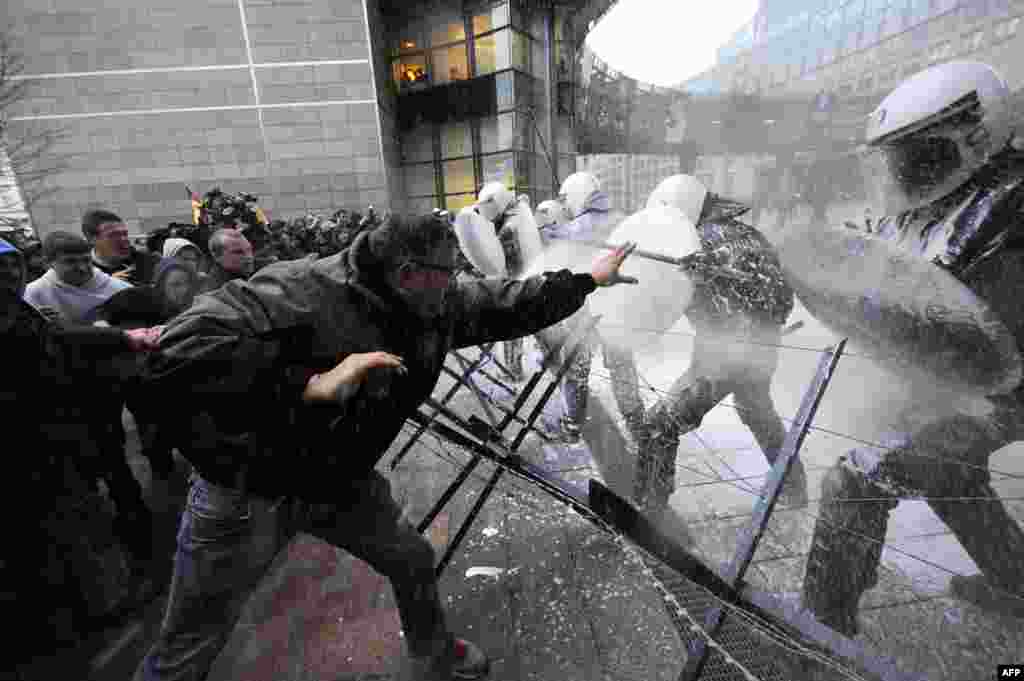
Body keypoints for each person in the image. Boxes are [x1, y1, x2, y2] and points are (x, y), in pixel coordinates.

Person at [134, 213, 636, 681]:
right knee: (191, 640)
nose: (456, 279)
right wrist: (306, 382)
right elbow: (179, 349)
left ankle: (432, 652)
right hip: (249, 492)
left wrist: (586, 280)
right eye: (447, 270)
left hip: (336, 479)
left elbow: (504, 301)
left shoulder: (436, 303)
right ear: (407, 270)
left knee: (410, 559)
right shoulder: (301, 290)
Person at [801, 60, 1024, 636]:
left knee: (859, 476)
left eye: (915, 157)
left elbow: (955, 308)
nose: (900, 174)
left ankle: (822, 633)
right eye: (892, 159)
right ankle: (1018, 580)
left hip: (1008, 385)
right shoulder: (936, 204)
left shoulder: (1008, 205)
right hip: (970, 381)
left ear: (974, 138)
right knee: (951, 473)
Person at [0, 237, 161, 671]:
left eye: (14, 265)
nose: (11, 276)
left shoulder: (19, 308)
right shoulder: (13, 314)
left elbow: (58, 337)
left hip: (59, 431)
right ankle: (89, 609)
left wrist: (125, 340)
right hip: (32, 445)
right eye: (2, 270)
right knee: (65, 524)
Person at [634, 174, 805, 533]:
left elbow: (672, 296)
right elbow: (782, 295)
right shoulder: (749, 234)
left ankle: (647, 512)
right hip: (763, 348)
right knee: (758, 413)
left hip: (725, 356)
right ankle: (794, 490)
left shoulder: (697, 242)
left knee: (659, 424)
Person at [24, 230, 132, 325]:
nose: (82, 268)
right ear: (48, 262)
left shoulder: (122, 289)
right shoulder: (32, 294)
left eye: (86, 260)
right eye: (71, 261)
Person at [84, 208, 164, 286]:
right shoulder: (83, 273)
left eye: (125, 234)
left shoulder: (151, 263)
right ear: (91, 238)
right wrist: (108, 285)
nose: (124, 239)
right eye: (114, 235)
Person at [198, 227, 255, 294]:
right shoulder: (217, 292)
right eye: (238, 252)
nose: (249, 256)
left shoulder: (246, 276)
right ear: (217, 256)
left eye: (249, 249)